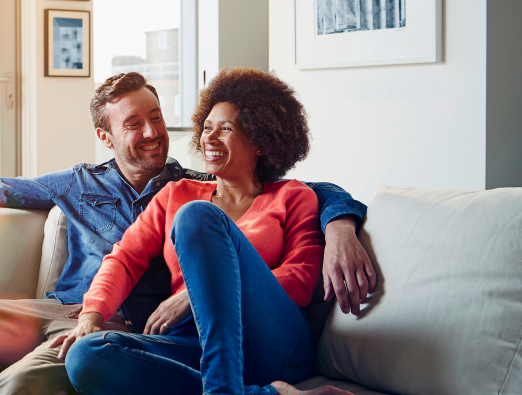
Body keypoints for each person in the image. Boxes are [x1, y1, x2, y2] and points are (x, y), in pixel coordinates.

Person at [0, 71, 375, 395]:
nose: (153, 132)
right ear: (106, 136)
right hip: (67, 309)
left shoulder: (197, 186)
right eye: (134, 123)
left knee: (18, 387)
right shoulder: (91, 185)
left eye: (156, 117)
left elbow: (312, 191)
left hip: (142, 322)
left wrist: (342, 223)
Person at [57, 67, 349, 395]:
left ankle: (223, 389)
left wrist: (194, 295)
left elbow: (298, 280)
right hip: (195, 344)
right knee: (87, 356)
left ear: (260, 141)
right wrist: (92, 315)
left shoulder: (293, 197)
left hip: (271, 344)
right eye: (207, 127)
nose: (208, 138)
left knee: (196, 217)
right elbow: (124, 258)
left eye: (224, 129)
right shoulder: (175, 194)